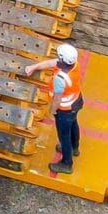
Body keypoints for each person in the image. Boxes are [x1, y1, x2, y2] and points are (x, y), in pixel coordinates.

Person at [20, 43, 85, 176]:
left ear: (62, 59)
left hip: (64, 109)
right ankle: (74, 148)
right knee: (74, 125)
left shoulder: (60, 78)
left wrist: (53, 111)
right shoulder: (74, 64)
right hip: (76, 101)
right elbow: (52, 62)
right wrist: (35, 67)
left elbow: (57, 98)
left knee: (64, 136)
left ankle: (67, 163)